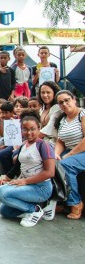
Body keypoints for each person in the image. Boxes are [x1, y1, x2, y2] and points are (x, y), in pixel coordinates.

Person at [0, 111, 56, 227]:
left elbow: (50, 172)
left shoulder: (44, 146)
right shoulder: (23, 145)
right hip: (26, 185)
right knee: (4, 211)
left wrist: (24, 181)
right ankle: (41, 205)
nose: (29, 132)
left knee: (1, 193)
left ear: (39, 128)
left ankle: (35, 210)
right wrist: (6, 178)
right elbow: (17, 167)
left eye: (32, 129)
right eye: (25, 129)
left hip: (41, 187)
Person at [54, 90, 85, 219]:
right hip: (71, 151)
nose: (65, 104)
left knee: (65, 165)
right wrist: (56, 154)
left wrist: (69, 155)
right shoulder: (63, 119)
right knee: (50, 163)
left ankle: (75, 203)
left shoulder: (82, 114)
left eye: (67, 100)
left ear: (74, 100)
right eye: (61, 102)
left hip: (81, 151)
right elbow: (60, 141)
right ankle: (60, 200)